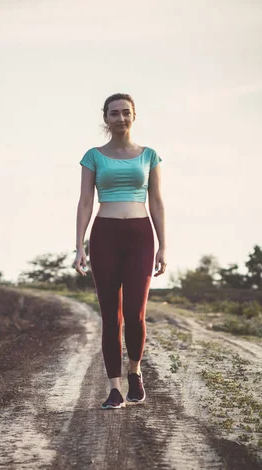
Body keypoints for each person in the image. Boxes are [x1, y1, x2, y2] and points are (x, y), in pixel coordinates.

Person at [73, 93, 167, 409]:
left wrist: (163, 245)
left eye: (126, 113)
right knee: (110, 316)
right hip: (105, 236)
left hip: (141, 236)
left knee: (135, 314)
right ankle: (114, 388)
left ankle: (135, 372)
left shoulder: (149, 155)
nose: (121, 118)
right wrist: (79, 246)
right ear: (106, 119)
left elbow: (156, 201)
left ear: (134, 116)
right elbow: (86, 201)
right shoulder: (93, 156)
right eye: (114, 113)